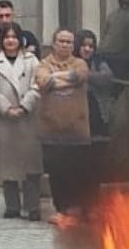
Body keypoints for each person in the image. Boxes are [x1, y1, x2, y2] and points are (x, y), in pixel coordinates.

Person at [35, 29, 91, 226]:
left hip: (76, 130)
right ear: (54, 43)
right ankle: (60, 209)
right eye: (62, 41)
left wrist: (56, 79)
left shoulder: (80, 63)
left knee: (75, 171)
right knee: (56, 172)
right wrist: (62, 79)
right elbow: (44, 81)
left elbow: (79, 76)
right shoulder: (43, 64)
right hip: (51, 130)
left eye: (69, 42)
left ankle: (75, 209)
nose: (65, 45)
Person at [0, 22, 43, 221]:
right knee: (7, 163)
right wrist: (6, 108)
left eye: (14, 37)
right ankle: (12, 206)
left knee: (31, 164)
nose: (10, 41)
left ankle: (33, 206)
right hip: (4, 119)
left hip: (28, 117)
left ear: (20, 40)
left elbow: (37, 85)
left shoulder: (31, 60)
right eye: (7, 37)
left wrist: (24, 106)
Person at [76, 29, 116, 210]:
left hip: (98, 117)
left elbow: (107, 78)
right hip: (77, 119)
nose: (87, 49)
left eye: (91, 46)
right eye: (84, 45)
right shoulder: (71, 62)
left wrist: (86, 76)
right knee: (79, 164)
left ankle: (93, 203)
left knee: (96, 163)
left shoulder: (99, 62)